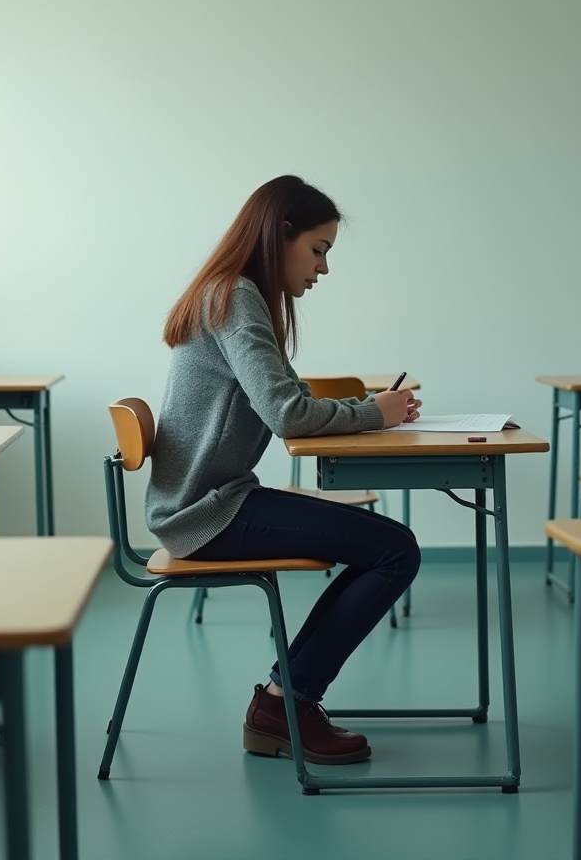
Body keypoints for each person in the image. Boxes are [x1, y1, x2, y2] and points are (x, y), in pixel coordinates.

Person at [146, 174, 422, 765]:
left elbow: (289, 395)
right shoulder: (233, 295)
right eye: (318, 250)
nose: (323, 268)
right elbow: (289, 414)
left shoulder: (229, 293)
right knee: (395, 550)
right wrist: (374, 412)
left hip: (214, 503)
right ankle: (285, 702)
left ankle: (286, 700)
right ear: (282, 234)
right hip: (206, 514)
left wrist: (372, 412)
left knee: (391, 546)